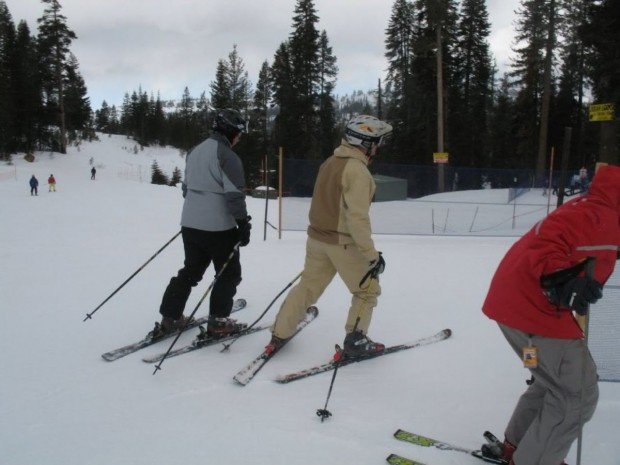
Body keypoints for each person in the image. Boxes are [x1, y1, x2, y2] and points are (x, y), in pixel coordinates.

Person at [481, 164, 620, 465]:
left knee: (548, 379)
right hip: (536, 312)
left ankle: (517, 447)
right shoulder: (602, 217)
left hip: (515, 310)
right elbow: (547, 247)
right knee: (577, 393)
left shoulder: (598, 205)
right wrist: (563, 281)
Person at [265, 115, 393, 357]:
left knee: (307, 287)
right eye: (377, 141)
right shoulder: (358, 171)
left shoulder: (331, 161)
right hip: (342, 243)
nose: (379, 147)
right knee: (367, 290)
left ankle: (280, 331)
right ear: (365, 142)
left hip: (317, 240)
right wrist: (371, 255)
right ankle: (356, 340)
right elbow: (357, 219)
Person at [150, 109, 252, 339]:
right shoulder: (227, 156)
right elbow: (234, 195)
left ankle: (170, 317)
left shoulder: (194, 152)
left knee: (190, 271)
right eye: (239, 133)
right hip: (218, 228)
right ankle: (218, 323)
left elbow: (186, 189)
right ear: (230, 132)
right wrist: (242, 223)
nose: (239, 138)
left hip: (190, 225)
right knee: (228, 273)